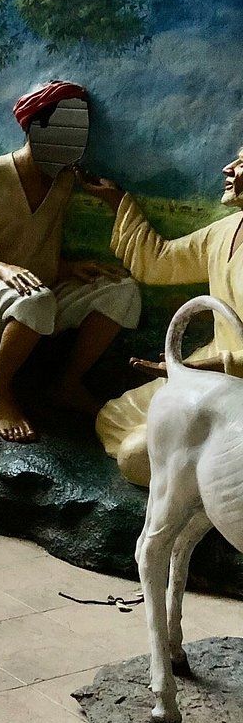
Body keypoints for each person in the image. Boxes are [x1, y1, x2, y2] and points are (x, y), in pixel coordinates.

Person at [0, 81, 142, 443]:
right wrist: (3, 269)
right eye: (65, 127)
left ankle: (67, 384)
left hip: (35, 293)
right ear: (35, 126)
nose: (74, 140)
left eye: (80, 131)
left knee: (122, 290)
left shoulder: (62, 183)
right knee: (37, 299)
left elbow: (33, 248)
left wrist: (71, 268)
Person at [91, 144, 243, 486]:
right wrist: (117, 201)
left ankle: (211, 490)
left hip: (234, 385)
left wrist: (198, 369)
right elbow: (161, 260)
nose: (229, 168)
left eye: (242, 163)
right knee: (114, 418)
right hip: (206, 371)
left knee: (133, 455)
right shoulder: (226, 230)